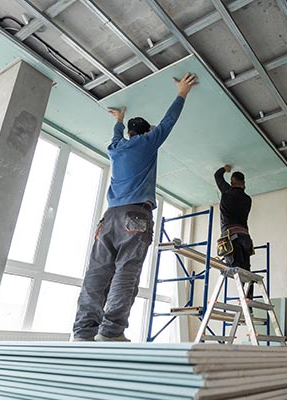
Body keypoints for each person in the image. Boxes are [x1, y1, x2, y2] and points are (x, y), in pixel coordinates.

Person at [72, 72, 199, 341]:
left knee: (98, 271)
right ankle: (111, 332)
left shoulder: (115, 148)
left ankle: (83, 332)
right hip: (135, 216)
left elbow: (117, 135)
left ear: (129, 132)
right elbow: (168, 122)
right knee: (125, 273)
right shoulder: (148, 142)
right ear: (145, 132)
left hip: (109, 219)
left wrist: (118, 120)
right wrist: (182, 92)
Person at [214, 164, 254, 299]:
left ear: (231, 183)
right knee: (246, 271)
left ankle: (244, 300)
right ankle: (248, 300)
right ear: (244, 183)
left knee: (236, 270)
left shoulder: (227, 192)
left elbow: (217, 176)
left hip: (231, 238)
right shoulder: (248, 199)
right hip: (245, 238)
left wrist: (225, 168)